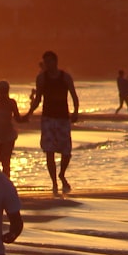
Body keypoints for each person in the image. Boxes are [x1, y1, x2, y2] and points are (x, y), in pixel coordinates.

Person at [25, 50, 79, 196]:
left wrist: (75, 111)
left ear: (56, 61)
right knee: (49, 151)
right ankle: (54, 182)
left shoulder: (65, 77)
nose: (48, 64)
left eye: (50, 61)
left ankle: (62, 174)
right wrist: (29, 114)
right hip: (48, 118)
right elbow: (37, 100)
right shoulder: (41, 78)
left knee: (66, 151)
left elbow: (74, 95)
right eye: (46, 62)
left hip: (62, 118)